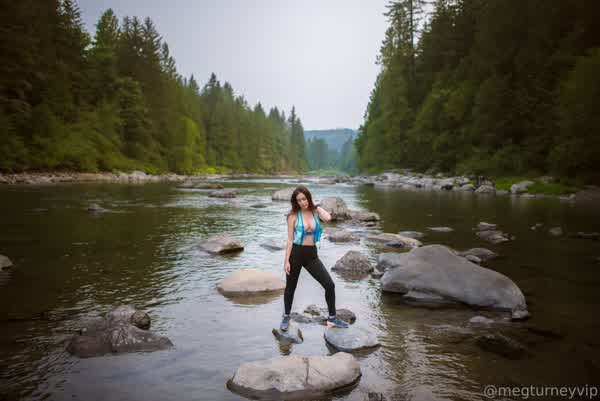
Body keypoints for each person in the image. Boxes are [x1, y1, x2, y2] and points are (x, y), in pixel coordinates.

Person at [280, 186, 349, 331]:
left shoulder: (315, 211)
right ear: (295, 202)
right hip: (296, 254)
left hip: (311, 255)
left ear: (308, 198)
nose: (302, 202)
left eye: (304, 199)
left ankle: (332, 319)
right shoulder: (293, 216)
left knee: (329, 285)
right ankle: (286, 316)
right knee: (291, 288)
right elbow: (290, 240)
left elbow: (328, 218)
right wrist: (286, 261)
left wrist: (316, 206)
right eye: (299, 200)